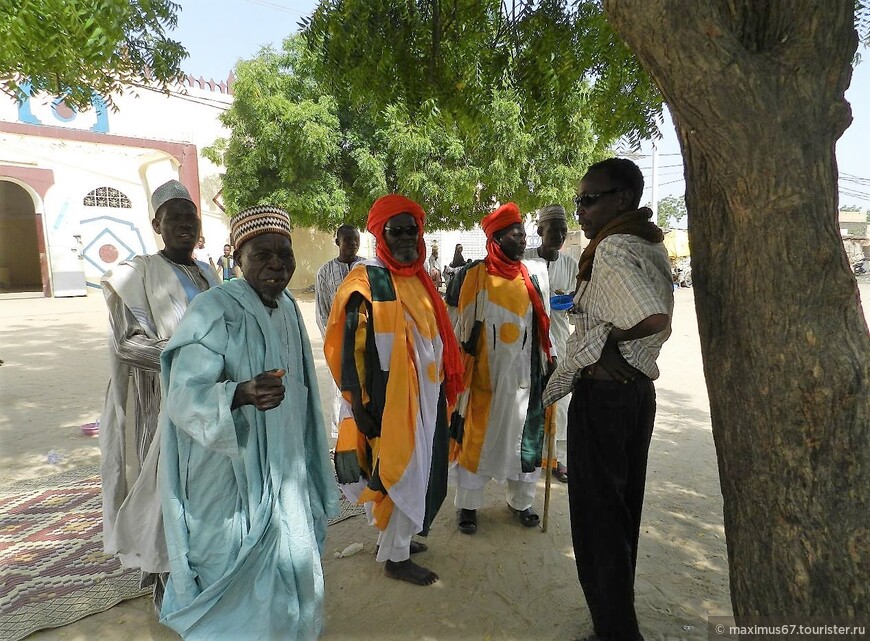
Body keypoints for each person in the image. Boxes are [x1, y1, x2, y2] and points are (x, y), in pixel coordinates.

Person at [158, 205, 339, 640]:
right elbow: (183, 396)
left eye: (284, 253)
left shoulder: (289, 306)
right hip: (229, 465)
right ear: (238, 259)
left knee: (288, 547)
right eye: (262, 254)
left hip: (284, 460)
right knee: (229, 553)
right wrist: (238, 393)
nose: (276, 263)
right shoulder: (213, 309)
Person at [543, 158, 673, 641]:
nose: (580, 210)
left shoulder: (614, 247)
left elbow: (652, 316)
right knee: (621, 512)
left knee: (598, 520)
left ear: (622, 199)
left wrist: (605, 343)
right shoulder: (646, 241)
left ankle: (616, 630)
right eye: (578, 200)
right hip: (636, 394)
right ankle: (617, 621)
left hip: (605, 396)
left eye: (588, 199)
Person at [323, 194, 463, 586]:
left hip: (426, 398)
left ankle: (394, 541)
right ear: (380, 234)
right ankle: (397, 559)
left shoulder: (418, 278)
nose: (405, 238)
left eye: (412, 231)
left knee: (414, 469)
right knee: (400, 469)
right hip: (389, 402)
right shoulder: (367, 281)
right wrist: (359, 403)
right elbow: (349, 350)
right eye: (396, 231)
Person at [99, 179, 221, 608]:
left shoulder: (209, 272)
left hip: (209, 397)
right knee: (164, 486)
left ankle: (201, 568)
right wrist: (186, 357)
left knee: (204, 486)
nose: (186, 225)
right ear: (157, 224)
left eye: (192, 217)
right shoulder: (134, 274)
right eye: (176, 218)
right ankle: (166, 580)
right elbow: (126, 343)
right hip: (162, 398)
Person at [446, 202, 554, 535]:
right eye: (515, 234)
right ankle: (468, 506)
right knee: (477, 440)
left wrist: (550, 362)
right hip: (482, 380)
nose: (523, 239)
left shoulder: (535, 274)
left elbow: (543, 326)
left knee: (525, 439)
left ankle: (521, 502)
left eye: (524, 233)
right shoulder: (472, 275)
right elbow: (458, 326)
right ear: (497, 238)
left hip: (523, 376)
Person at [523, 204, 579, 483]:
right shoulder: (525, 261)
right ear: (540, 231)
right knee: (529, 401)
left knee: (563, 403)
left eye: (563, 231)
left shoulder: (570, 264)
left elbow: (577, 303)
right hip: (527, 343)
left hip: (559, 340)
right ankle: (529, 455)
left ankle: (559, 459)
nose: (558, 235)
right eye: (553, 230)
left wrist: (571, 301)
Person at [314, 224, 365, 441]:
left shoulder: (367, 267)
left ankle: (366, 436)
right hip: (341, 340)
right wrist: (335, 340)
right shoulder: (325, 272)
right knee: (341, 387)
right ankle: (343, 440)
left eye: (355, 240)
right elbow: (322, 310)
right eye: (347, 240)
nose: (352, 245)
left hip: (365, 338)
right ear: (337, 242)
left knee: (367, 384)